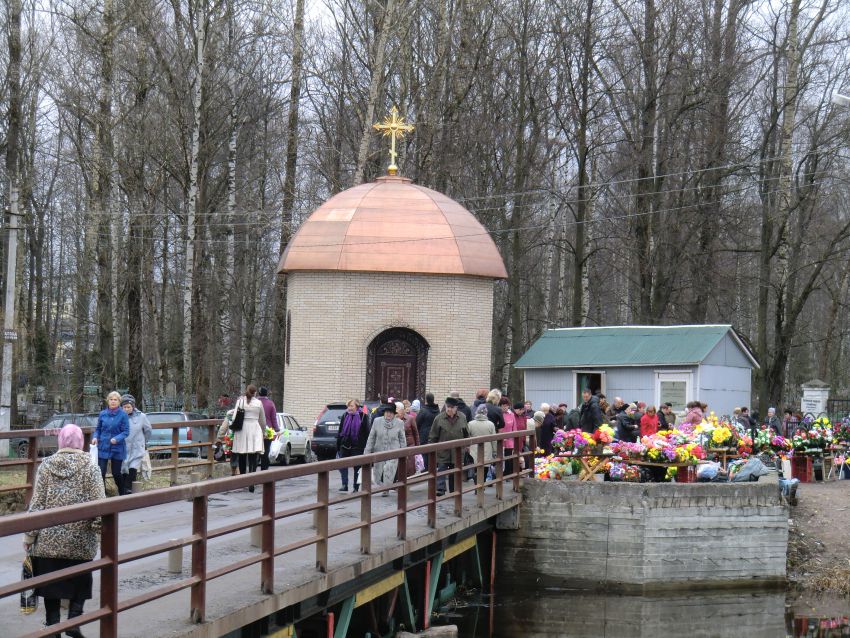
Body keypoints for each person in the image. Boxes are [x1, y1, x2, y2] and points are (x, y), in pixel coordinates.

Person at [23, 424, 105, 638]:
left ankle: (52, 626)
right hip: (80, 539)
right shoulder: (91, 466)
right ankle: (74, 621)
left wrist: (30, 535)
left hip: (48, 541)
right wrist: (99, 532)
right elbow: (99, 505)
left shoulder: (47, 465)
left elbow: (37, 503)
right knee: (80, 580)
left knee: (50, 583)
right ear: (81, 442)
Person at [92, 390, 131, 496]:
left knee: (116, 473)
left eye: (115, 400)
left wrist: (117, 438)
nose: (113, 402)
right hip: (103, 446)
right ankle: (101, 494)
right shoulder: (103, 414)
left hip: (117, 447)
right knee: (101, 472)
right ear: (107, 401)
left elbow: (126, 432)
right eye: (111, 399)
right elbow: (98, 429)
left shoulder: (123, 415)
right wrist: (95, 437)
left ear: (119, 402)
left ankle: (122, 493)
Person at [429, 397, 470, 496]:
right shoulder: (439, 418)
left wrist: (466, 446)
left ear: (456, 408)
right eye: (447, 407)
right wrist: (432, 447)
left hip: (457, 451)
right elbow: (433, 435)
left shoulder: (462, 417)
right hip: (443, 450)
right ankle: (440, 489)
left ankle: (453, 490)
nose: (449, 409)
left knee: (454, 470)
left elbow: (466, 434)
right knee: (442, 468)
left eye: (451, 407)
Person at [364, 404, 406, 496]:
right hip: (379, 450)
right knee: (378, 472)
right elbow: (371, 438)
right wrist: (367, 452)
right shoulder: (377, 421)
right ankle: (381, 486)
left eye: (391, 412)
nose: (388, 414)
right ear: (384, 413)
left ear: (394, 414)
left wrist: (404, 452)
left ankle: (386, 489)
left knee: (388, 468)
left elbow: (402, 439)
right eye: (387, 412)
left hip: (393, 451)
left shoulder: (399, 423)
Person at [231, 384, 267, 491]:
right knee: (253, 455)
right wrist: (263, 431)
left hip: (242, 428)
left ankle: (243, 479)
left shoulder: (240, 401)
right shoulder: (259, 403)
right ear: (255, 393)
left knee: (242, 454)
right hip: (254, 428)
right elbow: (262, 420)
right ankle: (252, 479)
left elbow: (234, 417)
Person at [120, 394, 152, 494]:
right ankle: (124, 489)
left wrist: (144, 441)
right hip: (124, 446)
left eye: (128, 407)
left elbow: (148, 429)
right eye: (124, 407)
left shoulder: (141, 416)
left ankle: (128, 488)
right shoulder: (119, 417)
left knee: (133, 466)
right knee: (124, 467)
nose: (126, 409)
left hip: (137, 446)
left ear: (133, 407)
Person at [337, 399, 370, 492]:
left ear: (357, 406)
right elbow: (340, 431)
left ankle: (356, 487)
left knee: (357, 467)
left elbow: (367, 432)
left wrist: (367, 447)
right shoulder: (345, 415)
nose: (349, 408)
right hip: (345, 445)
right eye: (348, 406)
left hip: (358, 446)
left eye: (351, 406)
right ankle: (344, 484)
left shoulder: (363, 416)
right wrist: (338, 444)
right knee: (342, 465)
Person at [468, 404, 497, 480]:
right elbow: (494, 440)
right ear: (486, 413)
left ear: (476, 412)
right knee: (485, 468)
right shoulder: (491, 424)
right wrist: (495, 451)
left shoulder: (471, 424)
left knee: (475, 468)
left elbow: (467, 437)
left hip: (474, 449)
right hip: (487, 449)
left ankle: (476, 486)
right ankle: (482, 485)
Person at [416, 393, 440, 470]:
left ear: (426, 400)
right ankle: (433, 470)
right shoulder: (438, 411)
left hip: (424, 436)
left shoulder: (423, 411)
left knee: (425, 454)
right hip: (435, 435)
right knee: (433, 453)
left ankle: (426, 471)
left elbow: (417, 423)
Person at [399, 400, 421, 477]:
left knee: (410, 467)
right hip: (398, 447)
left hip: (410, 445)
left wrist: (417, 447)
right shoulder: (394, 420)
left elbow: (416, 433)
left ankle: (408, 483)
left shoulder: (410, 418)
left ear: (402, 410)